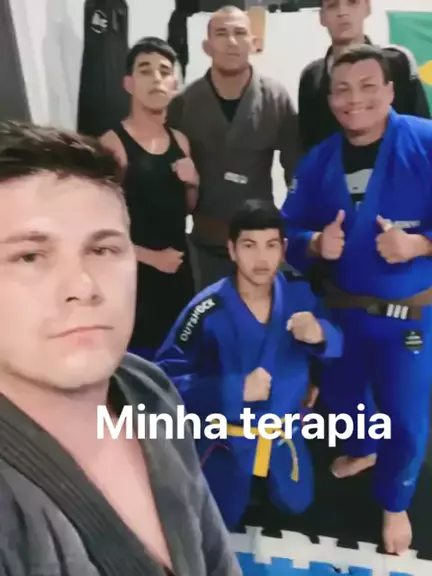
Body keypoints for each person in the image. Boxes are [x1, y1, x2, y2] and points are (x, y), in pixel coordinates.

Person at [0, 121, 242, 576]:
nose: (83, 286)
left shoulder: (147, 387)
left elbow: (214, 556)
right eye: (30, 256)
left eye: (103, 250)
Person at [281, 45, 432, 556]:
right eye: (342, 89)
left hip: (408, 317)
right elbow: (287, 232)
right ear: (329, 99)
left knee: (406, 418)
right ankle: (364, 448)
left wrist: (419, 245)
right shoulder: (318, 162)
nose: (355, 99)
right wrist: (314, 244)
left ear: (390, 91)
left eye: (368, 86)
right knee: (344, 397)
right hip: (342, 313)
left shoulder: (426, 143)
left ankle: (395, 501)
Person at [155, 200, 343, 530]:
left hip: (284, 441)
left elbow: (337, 345)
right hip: (226, 445)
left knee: (296, 506)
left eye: (271, 245)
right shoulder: (206, 308)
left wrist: (321, 335)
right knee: (217, 520)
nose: (261, 258)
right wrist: (234, 388)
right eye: (249, 245)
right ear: (232, 250)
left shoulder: (300, 297)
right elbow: (164, 382)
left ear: (283, 249)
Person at [167, 6, 301, 290]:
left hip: (260, 242)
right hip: (206, 242)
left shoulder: (275, 98)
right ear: (207, 46)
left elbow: (296, 172)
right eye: (221, 33)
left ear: (253, 43)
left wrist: (287, 230)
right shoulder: (184, 104)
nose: (231, 41)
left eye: (240, 33)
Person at [100, 37, 198, 360]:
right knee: (136, 370)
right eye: (145, 70)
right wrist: (151, 258)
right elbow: (97, 228)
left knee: (178, 364)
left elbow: (187, 207)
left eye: (164, 71)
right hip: (134, 278)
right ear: (129, 83)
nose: (156, 78)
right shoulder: (113, 145)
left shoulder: (180, 141)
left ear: (175, 85)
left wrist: (193, 184)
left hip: (178, 274)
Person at [298, 0, 431, 152]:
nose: (342, 12)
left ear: (367, 7)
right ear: (322, 17)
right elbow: (308, 144)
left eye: (352, 2)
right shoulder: (311, 78)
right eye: (332, 5)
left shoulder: (399, 64)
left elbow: (422, 131)